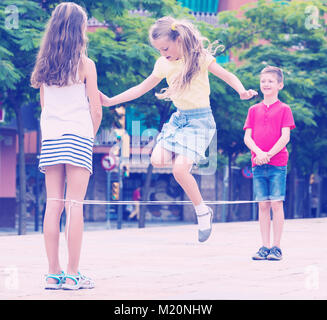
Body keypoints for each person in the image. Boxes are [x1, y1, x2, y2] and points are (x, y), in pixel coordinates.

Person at [100, 16, 257, 242]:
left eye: (165, 48)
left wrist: (241, 91)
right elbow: (140, 88)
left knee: (180, 170)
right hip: (179, 120)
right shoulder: (163, 64)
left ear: (178, 39)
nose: (163, 53)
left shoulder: (200, 59)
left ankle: (202, 211)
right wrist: (111, 101)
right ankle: (189, 175)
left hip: (200, 121)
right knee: (156, 160)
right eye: (159, 50)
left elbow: (226, 75)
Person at [31, 2, 102, 289]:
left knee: (53, 205)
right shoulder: (86, 65)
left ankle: (52, 272)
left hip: (51, 138)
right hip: (78, 137)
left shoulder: (44, 67)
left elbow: (44, 107)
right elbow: (95, 110)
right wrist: (90, 135)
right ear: (80, 29)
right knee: (75, 206)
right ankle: (73, 274)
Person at [243, 66, 295, 260]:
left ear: (279, 85)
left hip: (278, 163)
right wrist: (259, 153)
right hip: (257, 163)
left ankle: (276, 247)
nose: (266, 84)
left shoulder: (284, 109)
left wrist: (269, 154)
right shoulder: (253, 110)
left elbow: (285, 137)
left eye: (271, 81)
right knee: (263, 205)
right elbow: (247, 138)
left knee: (276, 203)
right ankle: (264, 246)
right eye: (263, 81)